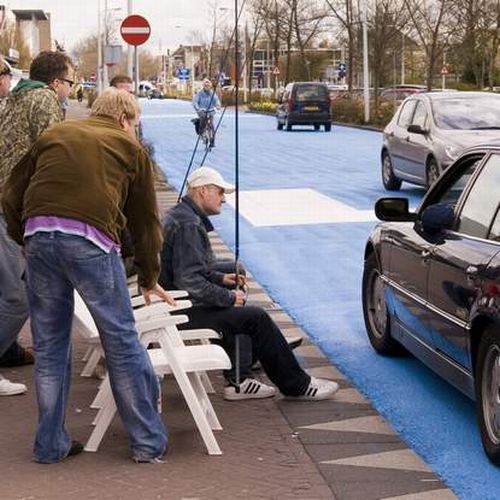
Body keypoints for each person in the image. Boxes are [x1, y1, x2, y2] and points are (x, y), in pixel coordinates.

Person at [2, 87, 173, 463]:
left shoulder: (56, 134)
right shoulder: (130, 149)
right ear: (125, 120)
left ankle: (49, 445)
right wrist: (149, 276)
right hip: (90, 239)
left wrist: (24, 237)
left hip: (39, 235)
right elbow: (146, 222)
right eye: (135, 125)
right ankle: (147, 442)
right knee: (121, 339)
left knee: (49, 346)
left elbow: (10, 194)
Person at [159, 166, 339, 402]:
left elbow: (190, 270)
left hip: (174, 306)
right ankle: (295, 385)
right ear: (203, 191)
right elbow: (189, 279)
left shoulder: (183, 215)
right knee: (255, 317)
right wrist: (229, 297)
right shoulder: (189, 224)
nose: (223, 199)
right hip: (179, 313)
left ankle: (243, 374)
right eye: (220, 192)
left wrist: (221, 280)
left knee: (241, 309)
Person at [0, 50, 73, 396]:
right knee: (17, 298)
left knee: (16, 290)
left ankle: (9, 350)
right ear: (56, 82)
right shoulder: (43, 99)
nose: (70, 90)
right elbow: (56, 158)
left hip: (9, 206)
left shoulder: (18, 96)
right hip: (11, 211)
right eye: (70, 83)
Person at [192, 78, 220, 147]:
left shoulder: (212, 93)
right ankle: (202, 133)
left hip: (210, 111)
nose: (207, 87)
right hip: (202, 110)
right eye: (205, 85)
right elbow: (195, 101)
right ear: (203, 86)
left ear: (210, 86)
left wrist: (218, 106)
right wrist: (198, 108)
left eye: (208, 85)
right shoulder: (200, 94)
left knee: (211, 125)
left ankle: (212, 141)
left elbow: (216, 100)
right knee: (203, 121)